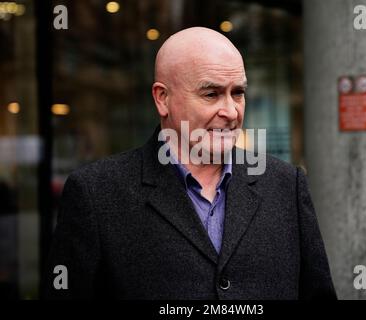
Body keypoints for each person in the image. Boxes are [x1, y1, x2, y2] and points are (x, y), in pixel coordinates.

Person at [43, 27, 337, 299]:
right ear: (162, 99)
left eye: (238, 93)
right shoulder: (97, 194)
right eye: (211, 94)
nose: (231, 111)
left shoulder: (285, 184)